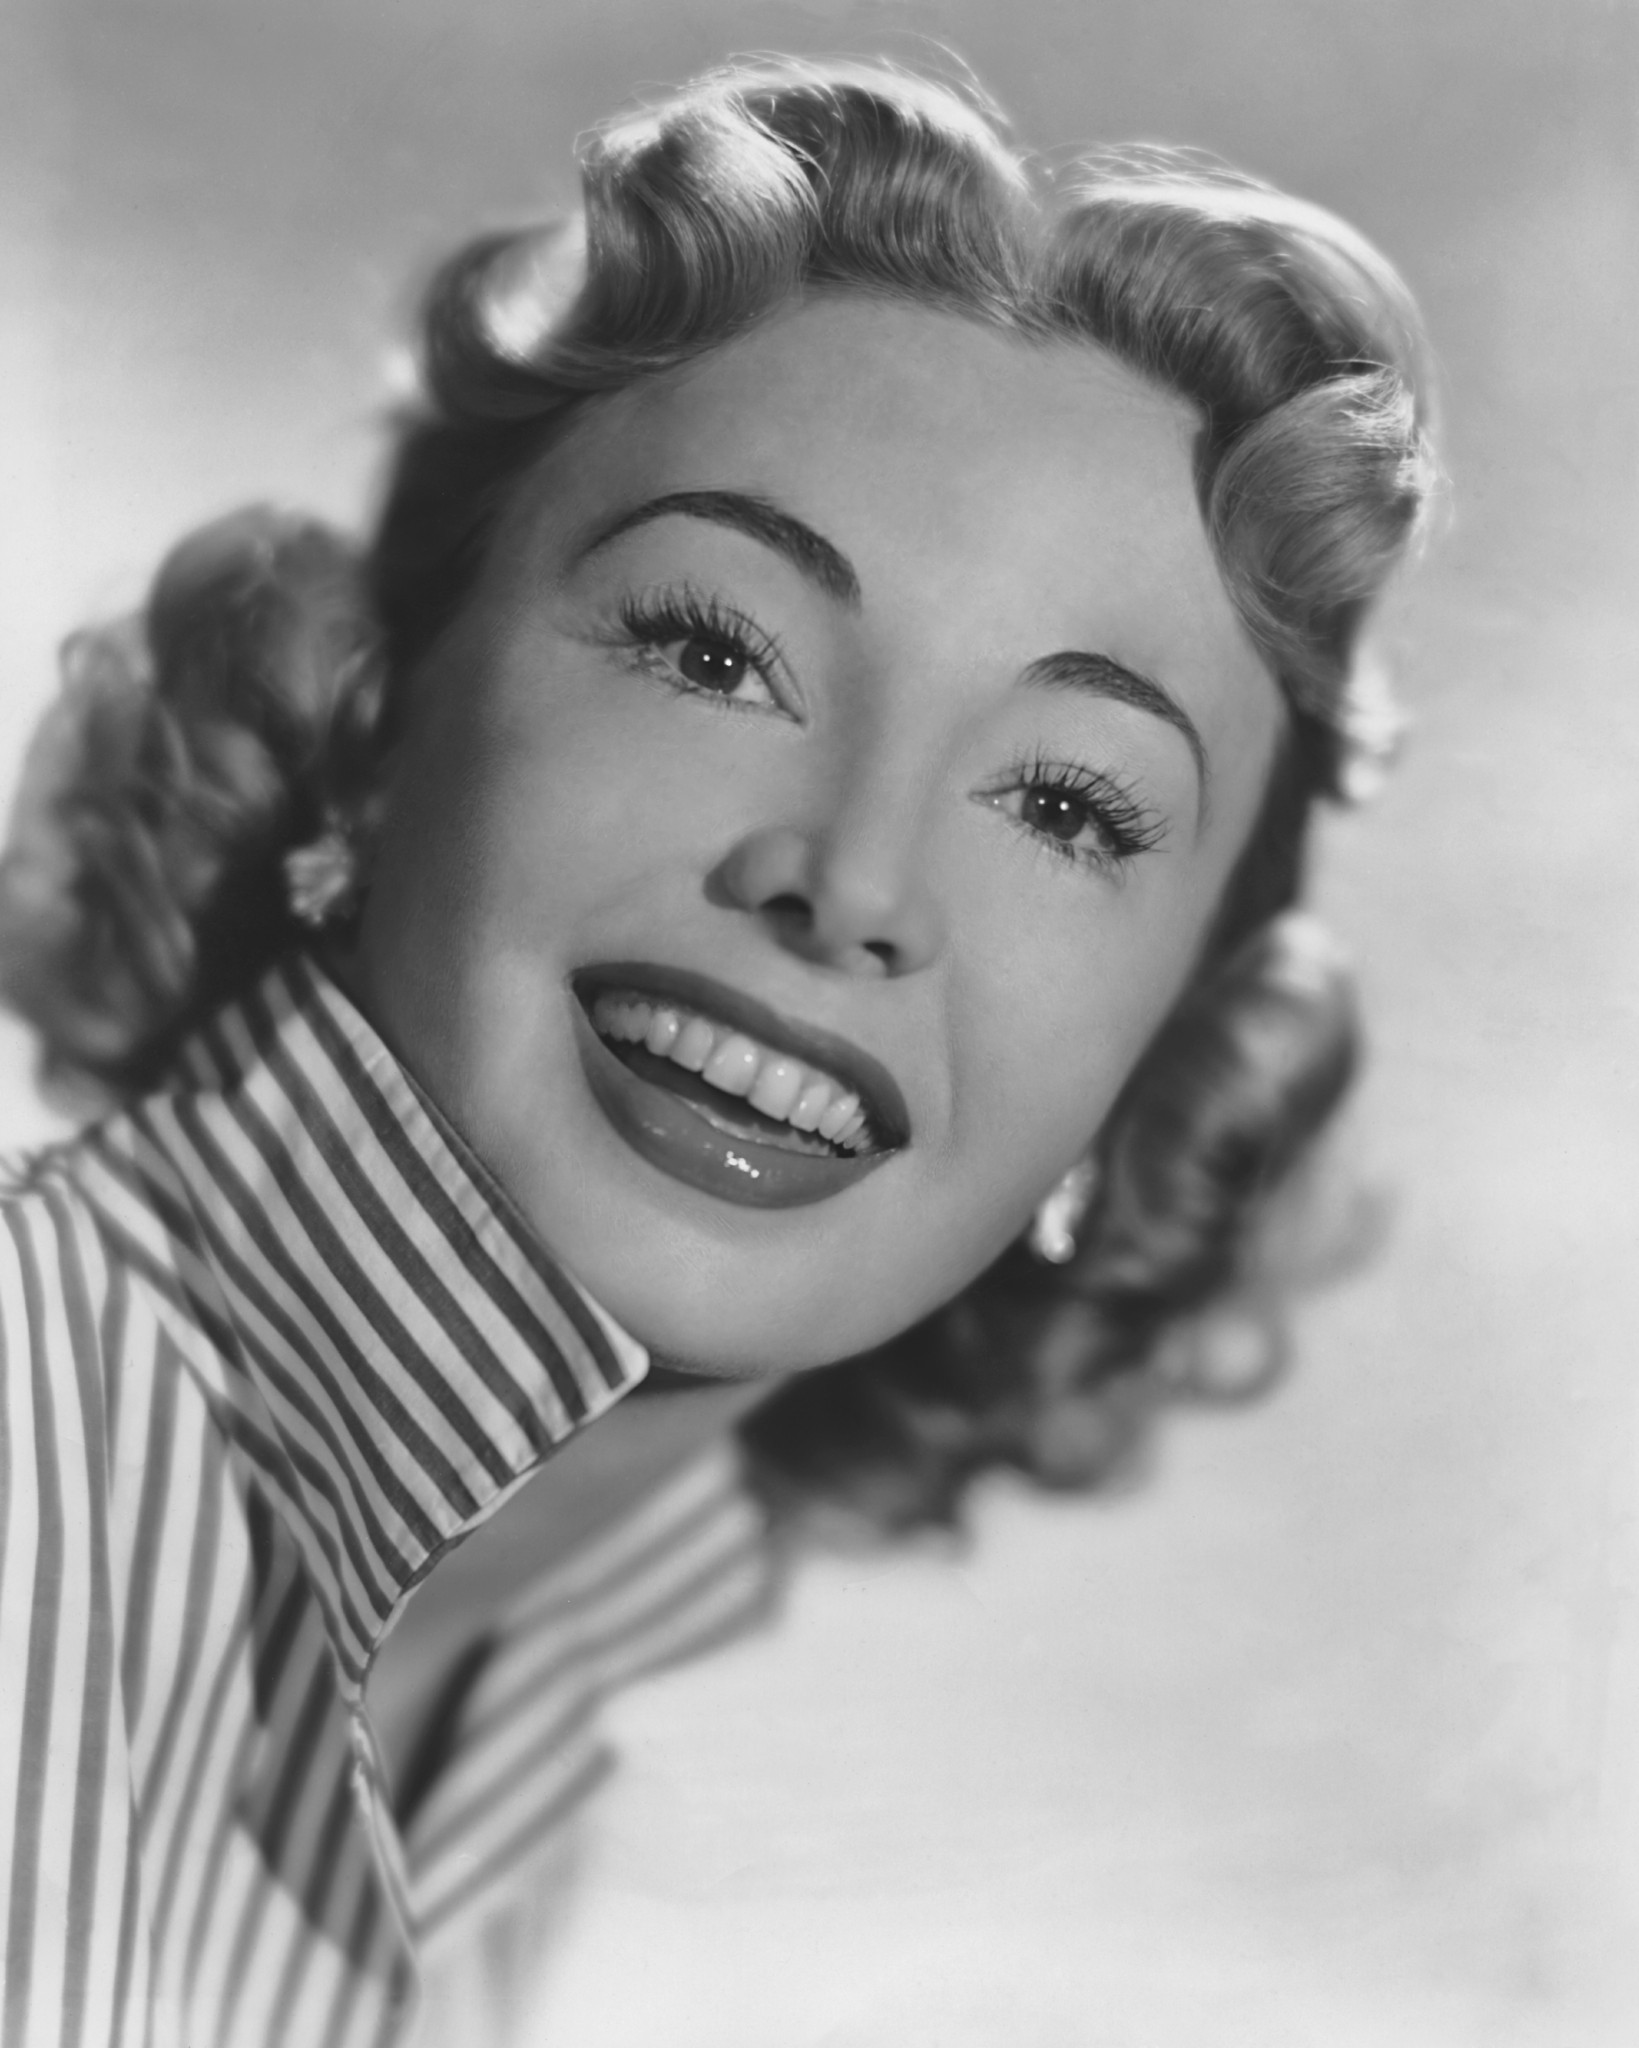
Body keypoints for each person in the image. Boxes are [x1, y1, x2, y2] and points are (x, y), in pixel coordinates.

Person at [0, 55, 1435, 2048]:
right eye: (713, 650)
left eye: (1065, 805)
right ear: (375, 731)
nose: (851, 882)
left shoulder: (513, 1751)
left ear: (1158, 1063)